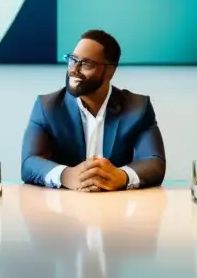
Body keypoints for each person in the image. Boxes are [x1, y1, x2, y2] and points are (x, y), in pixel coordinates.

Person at [21, 30, 166, 190]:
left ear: (110, 71)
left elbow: (154, 162)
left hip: (118, 206)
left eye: (86, 64)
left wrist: (122, 176)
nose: (74, 70)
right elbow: (29, 163)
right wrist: (67, 175)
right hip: (63, 207)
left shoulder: (137, 107)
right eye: (72, 60)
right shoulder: (47, 107)